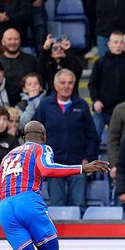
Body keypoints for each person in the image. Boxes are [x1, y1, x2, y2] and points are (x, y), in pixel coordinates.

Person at [0, 120, 109, 250]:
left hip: (4, 208)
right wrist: (82, 168)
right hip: (28, 201)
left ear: (23, 137)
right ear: (44, 136)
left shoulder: (8, 156)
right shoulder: (41, 148)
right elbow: (47, 169)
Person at [33, 69, 99, 210]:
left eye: (70, 83)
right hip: (54, 166)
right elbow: (34, 135)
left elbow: (92, 136)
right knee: (57, 208)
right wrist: (43, 159)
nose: (66, 86)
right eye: (63, 83)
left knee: (78, 206)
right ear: (55, 85)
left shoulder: (82, 105)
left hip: (78, 164)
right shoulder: (45, 105)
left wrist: (88, 157)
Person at [88, 31, 125, 135]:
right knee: (94, 137)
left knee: (118, 140)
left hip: (121, 111)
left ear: (124, 45)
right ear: (109, 44)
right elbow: (92, 84)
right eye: (115, 42)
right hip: (101, 110)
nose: (118, 45)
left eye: (121, 42)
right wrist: (96, 100)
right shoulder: (99, 63)